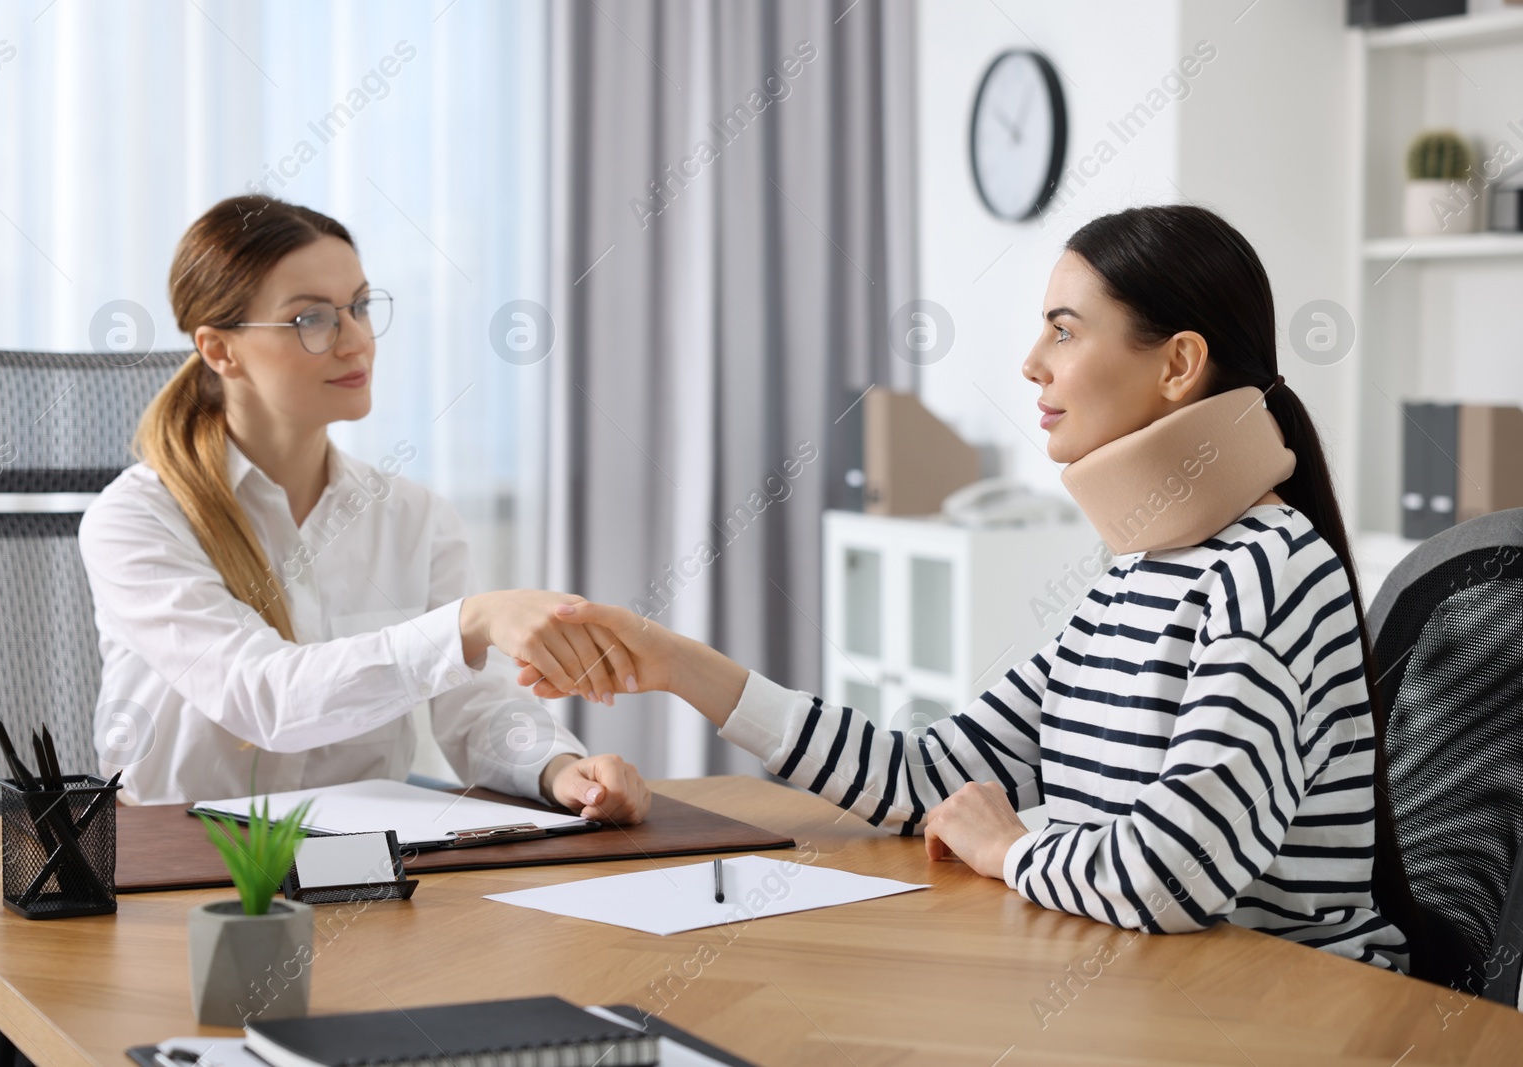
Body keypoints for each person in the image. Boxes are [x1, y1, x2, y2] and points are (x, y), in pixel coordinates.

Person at [524, 205, 1412, 971]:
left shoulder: (1270, 572)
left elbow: (1172, 874)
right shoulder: (1133, 578)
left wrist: (1013, 847)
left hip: (1286, 1001)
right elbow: (927, 775)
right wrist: (679, 664)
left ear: (1179, 364)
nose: (1033, 363)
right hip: (1149, 977)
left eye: (1064, 329)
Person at [79, 195, 649, 824]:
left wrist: (558, 771)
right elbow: (263, 698)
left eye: (360, 307)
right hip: (182, 865)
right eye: (311, 319)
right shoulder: (137, 520)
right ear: (220, 350)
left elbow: (474, 708)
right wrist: (467, 623)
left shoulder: (414, 516)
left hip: (364, 863)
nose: (356, 342)